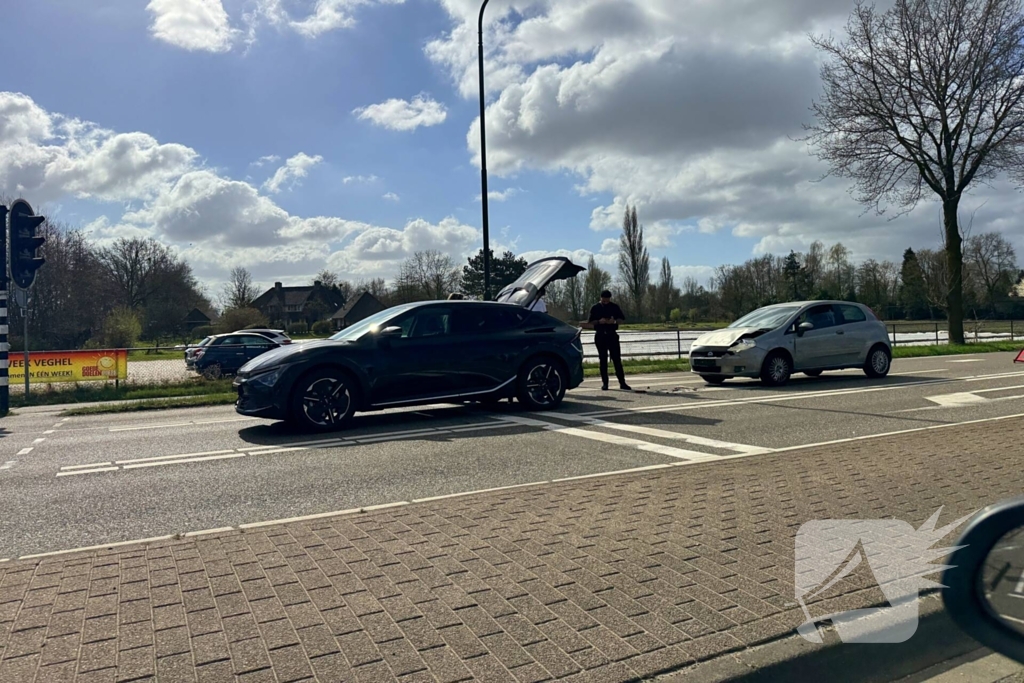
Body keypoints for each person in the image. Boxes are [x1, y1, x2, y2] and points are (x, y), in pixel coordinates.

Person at [587, 290, 631, 391]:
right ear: (601, 298)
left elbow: (621, 319)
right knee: (603, 360)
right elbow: (590, 322)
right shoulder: (595, 308)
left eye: (607, 301)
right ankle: (605, 383)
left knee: (617, 360)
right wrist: (599, 321)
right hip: (600, 335)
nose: (606, 302)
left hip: (612, 335)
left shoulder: (614, 307)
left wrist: (614, 321)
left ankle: (622, 382)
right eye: (604, 301)